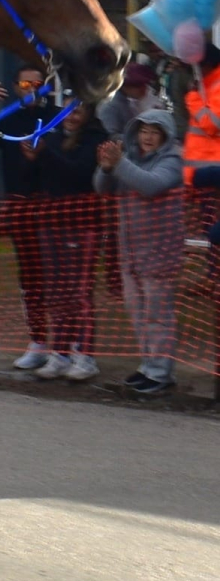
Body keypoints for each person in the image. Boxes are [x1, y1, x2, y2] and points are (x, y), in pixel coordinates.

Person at [0, 66, 60, 369]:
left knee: (61, 278)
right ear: (15, 86)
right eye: (25, 83)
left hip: (56, 209)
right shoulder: (7, 119)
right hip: (20, 209)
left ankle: (67, 346)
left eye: (37, 82)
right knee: (30, 277)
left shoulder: (57, 117)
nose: (32, 87)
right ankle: (38, 340)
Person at [93, 109, 184, 395]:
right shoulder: (129, 156)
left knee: (158, 314)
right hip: (130, 251)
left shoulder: (173, 159)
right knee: (137, 312)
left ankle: (161, 373)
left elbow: (151, 185)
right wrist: (106, 167)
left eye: (155, 132)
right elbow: (101, 188)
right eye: (144, 131)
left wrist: (119, 163)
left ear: (165, 136)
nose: (148, 137)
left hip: (159, 253)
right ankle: (148, 365)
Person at [18, 99, 108, 380]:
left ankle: (84, 354)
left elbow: (78, 175)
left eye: (77, 111)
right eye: (66, 111)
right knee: (56, 290)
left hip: (82, 224)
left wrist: (44, 154)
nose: (71, 116)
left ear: (89, 114)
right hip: (51, 222)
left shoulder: (96, 140)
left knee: (79, 291)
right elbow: (36, 179)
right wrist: (31, 159)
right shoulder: (52, 138)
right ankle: (60, 352)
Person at [181, 42, 220, 185]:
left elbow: (211, 124)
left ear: (207, 65)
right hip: (204, 171)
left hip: (212, 172)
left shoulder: (216, 86)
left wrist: (193, 97)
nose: (194, 73)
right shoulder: (208, 85)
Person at [97, 61, 165, 140]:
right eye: (139, 85)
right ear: (125, 86)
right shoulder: (110, 106)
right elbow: (109, 136)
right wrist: (140, 138)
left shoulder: (128, 102)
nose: (144, 89)